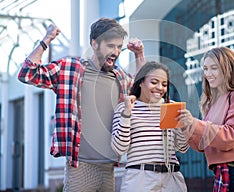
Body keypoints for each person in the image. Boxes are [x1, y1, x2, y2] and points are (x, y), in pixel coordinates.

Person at [18, 18, 145, 191]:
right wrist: (46, 40)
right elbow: (27, 73)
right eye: (110, 45)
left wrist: (139, 56)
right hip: (80, 168)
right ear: (94, 43)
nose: (116, 51)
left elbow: (143, 93)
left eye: (119, 47)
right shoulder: (70, 68)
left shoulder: (120, 77)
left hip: (109, 169)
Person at [177, 47, 234, 191]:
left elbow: (230, 135)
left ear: (227, 69)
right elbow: (203, 145)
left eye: (214, 68)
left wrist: (195, 123)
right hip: (222, 171)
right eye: (205, 69)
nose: (208, 74)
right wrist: (185, 126)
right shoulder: (210, 102)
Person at [111, 61, 189, 192]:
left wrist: (183, 127)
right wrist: (127, 114)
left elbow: (182, 148)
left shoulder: (171, 107)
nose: (160, 88)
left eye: (164, 84)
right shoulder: (125, 108)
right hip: (140, 179)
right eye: (154, 82)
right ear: (141, 82)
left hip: (171, 178)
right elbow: (119, 149)